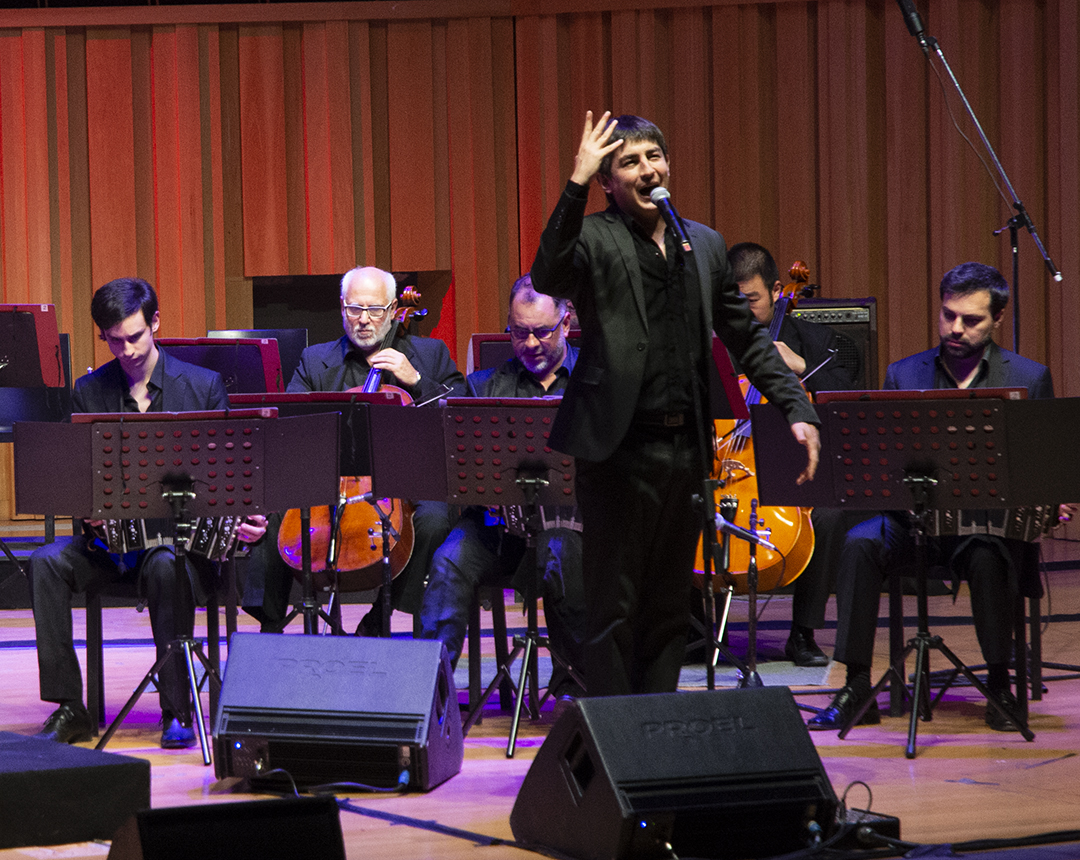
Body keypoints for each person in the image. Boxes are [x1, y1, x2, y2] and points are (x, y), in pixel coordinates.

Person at [530, 112, 820, 697]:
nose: (646, 169)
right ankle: (616, 736)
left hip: (686, 449)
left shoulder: (703, 243)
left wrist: (796, 408)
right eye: (629, 162)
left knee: (669, 606)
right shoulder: (593, 236)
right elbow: (548, 271)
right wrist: (574, 183)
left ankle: (658, 726)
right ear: (609, 181)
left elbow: (747, 338)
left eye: (653, 157)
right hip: (616, 452)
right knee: (614, 605)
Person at [809, 262, 1056, 732]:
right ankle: (857, 684)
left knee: (989, 554)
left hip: (985, 527)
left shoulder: (1028, 376)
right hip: (913, 523)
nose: (955, 328)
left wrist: (1051, 497)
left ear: (997, 319)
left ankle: (999, 683)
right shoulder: (904, 374)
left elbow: (1042, 468)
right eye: (948, 316)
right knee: (860, 543)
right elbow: (879, 464)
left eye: (971, 320)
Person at [28, 278, 267, 748]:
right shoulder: (89, 393)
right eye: (115, 340)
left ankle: (177, 710)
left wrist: (248, 519)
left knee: (163, 563)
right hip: (113, 549)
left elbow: (235, 478)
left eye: (136, 336)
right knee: (45, 562)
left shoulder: (202, 388)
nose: (128, 349)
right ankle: (70, 706)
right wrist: (87, 514)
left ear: (155, 322)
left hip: (185, 555)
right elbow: (78, 481)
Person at [243, 266, 467, 633]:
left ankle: (382, 615)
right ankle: (269, 629)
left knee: (435, 520)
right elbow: (287, 429)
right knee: (273, 514)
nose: (364, 320)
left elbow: (461, 414)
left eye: (375, 310)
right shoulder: (316, 361)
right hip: (331, 480)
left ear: (395, 309)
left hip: (406, 483)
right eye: (354, 309)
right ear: (342, 308)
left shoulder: (430, 354)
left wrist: (416, 381)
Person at [418, 276, 585, 697]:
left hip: (573, 530)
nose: (529, 343)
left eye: (542, 332)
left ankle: (576, 688)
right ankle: (426, 696)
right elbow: (459, 472)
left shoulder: (595, 380)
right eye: (518, 331)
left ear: (566, 324)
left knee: (563, 554)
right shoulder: (482, 386)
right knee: (448, 560)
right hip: (499, 530)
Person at [728, 241, 861, 667]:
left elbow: (847, 392)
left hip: (793, 468)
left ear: (776, 290)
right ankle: (695, 629)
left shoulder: (813, 338)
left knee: (828, 514)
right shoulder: (714, 337)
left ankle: (802, 633)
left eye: (751, 300)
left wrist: (800, 366)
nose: (743, 311)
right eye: (733, 301)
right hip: (730, 460)